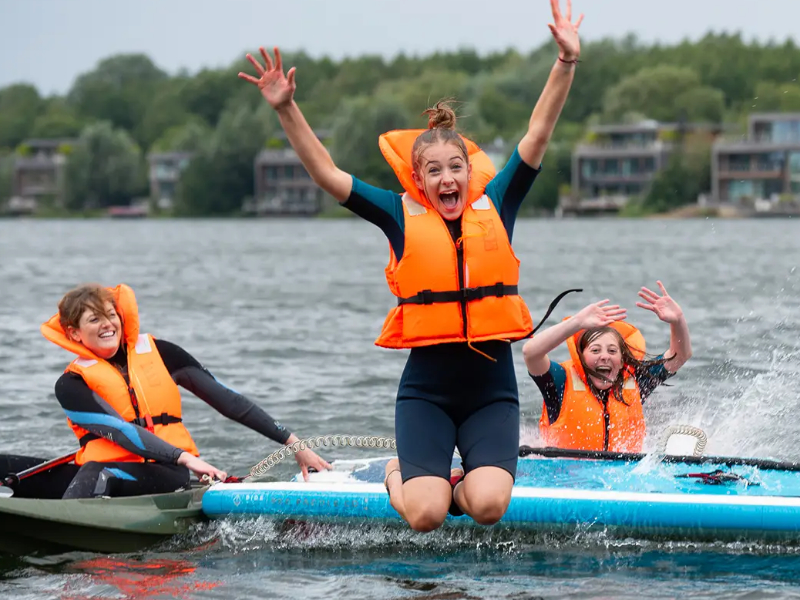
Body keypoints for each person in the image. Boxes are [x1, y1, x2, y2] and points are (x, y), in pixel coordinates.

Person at [239, 1, 583, 531]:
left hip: (491, 391)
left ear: (470, 172)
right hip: (427, 392)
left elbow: (537, 134)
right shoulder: (398, 217)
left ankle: (456, 485)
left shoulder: (501, 202)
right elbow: (329, 175)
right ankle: (403, 477)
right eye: (434, 171)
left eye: (455, 168)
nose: (447, 179)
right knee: (425, 516)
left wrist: (564, 62)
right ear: (418, 180)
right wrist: (286, 108)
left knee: (490, 508)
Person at [27, 282, 331, 500]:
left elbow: (229, 401)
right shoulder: (71, 384)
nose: (108, 325)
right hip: (129, 465)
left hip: (167, 471)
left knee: (96, 473)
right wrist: (188, 458)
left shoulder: (160, 353)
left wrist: (295, 444)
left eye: (111, 315)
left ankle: (63, 532)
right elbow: (118, 431)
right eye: (95, 319)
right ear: (74, 333)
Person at [522, 282, 693, 453]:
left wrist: (678, 321)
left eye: (612, 351)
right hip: (566, 474)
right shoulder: (560, 381)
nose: (605, 356)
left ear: (621, 360)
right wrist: (577, 322)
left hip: (622, 476)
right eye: (595, 350)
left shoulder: (635, 381)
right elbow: (531, 353)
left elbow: (680, 356)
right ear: (581, 356)